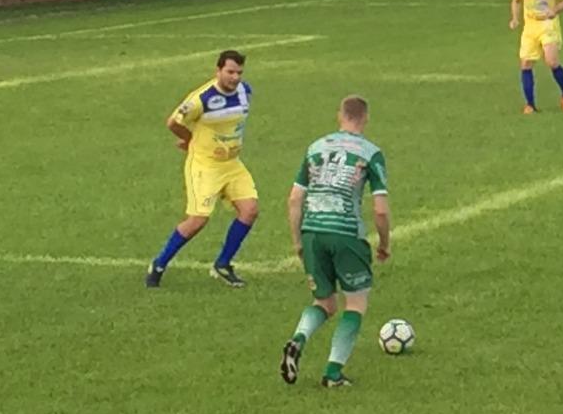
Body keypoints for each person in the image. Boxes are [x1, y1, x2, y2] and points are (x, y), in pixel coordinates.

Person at [280, 95, 391, 389]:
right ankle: (332, 373)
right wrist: (384, 243)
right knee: (355, 303)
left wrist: (298, 242)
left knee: (324, 303)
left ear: (339, 116)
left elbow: (294, 199)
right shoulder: (371, 153)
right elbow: (380, 210)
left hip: (312, 232)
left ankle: (298, 338)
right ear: (365, 118)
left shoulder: (315, 148)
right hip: (345, 233)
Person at [145, 50, 258, 289]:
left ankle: (223, 264)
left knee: (249, 211)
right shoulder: (201, 99)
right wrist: (190, 140)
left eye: (239, 72)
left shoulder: (245, 91)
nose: (235, 77)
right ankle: (159, 264)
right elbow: (173, 122)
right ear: (218, 71)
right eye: (230, 72)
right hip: (205, 166)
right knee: (198, 220)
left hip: (232, 164)